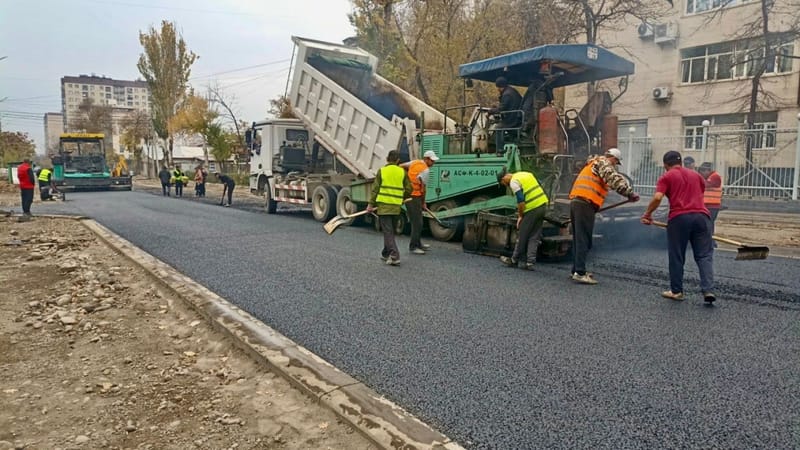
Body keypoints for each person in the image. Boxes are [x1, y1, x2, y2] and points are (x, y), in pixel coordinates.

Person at [641, 151, 715, 305]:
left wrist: (648, 214)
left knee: (677, 255)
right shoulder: (696, 176)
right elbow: (699, 193)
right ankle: (708, 290)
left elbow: (657, 197)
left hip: (679, 218)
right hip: (702, 217)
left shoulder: (666, 176)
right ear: (680, 162)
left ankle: (677, 291)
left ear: (665, 165)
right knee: (704, 255)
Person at [568, 148, 639, 284]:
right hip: (584, 203)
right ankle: (580, 273)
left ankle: (576, 270)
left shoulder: (593, 163)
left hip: (578, 202)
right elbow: (613, 178)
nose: (614, 166)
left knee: (579, 238)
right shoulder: (603, 162)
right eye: (616, 163)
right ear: (613, 158)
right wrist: (629, 193)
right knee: (584, 239)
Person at [496, 168, 548, 270]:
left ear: (504, 178)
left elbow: (521, 201)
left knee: (522, 235)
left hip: (532, 208)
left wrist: (520, 216)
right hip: (542, 205)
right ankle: (530, 262)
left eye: (502, 183)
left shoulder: (514, 182)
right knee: (534, 236)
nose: (504, 185)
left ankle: (514, 260)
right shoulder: (526, 174)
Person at [367, 150, 412, 266]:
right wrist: (402, 197)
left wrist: (370, 204)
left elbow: (375, 189)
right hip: (396, 207)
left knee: (388, 232)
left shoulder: (382, 171)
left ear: (387, 159)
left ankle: (394, 255)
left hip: (383, 206)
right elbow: (409, 189)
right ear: (398, 160)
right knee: (390, 231)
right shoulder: (402, 172)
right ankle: (385, 253)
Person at [401, 150, 439, 255]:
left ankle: (418, 243)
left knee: (417, 221)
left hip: (408, 195)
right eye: (432, 161)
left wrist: (406, 178)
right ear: (426, 159)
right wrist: (423, 202)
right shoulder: (425, 170)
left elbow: (401, 166)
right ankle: (413, 246)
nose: (433, 163)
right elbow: (423, 189)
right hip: (414, 197)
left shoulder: (415, 162)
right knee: (417, 222)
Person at [488, 76, 522, 153]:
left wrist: (490, 111)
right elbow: (506, 105)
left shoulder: (507, 94)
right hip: (516, 117)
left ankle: (500, 150)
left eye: (498, 87)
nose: (497, 89)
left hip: (512, 119)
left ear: (500, 86)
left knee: (498, 128)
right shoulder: (512, 91)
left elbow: (501, 108)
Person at [698, 162, 722, 236]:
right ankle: (710, 241)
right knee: (708, 223)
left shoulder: (715, 177)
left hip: (712, 206)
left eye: (702, 172)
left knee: (708, 223)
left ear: (707, 170)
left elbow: (705, 184)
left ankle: (711, 241)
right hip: (708, 205)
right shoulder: (709, 177)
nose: (701, 174)